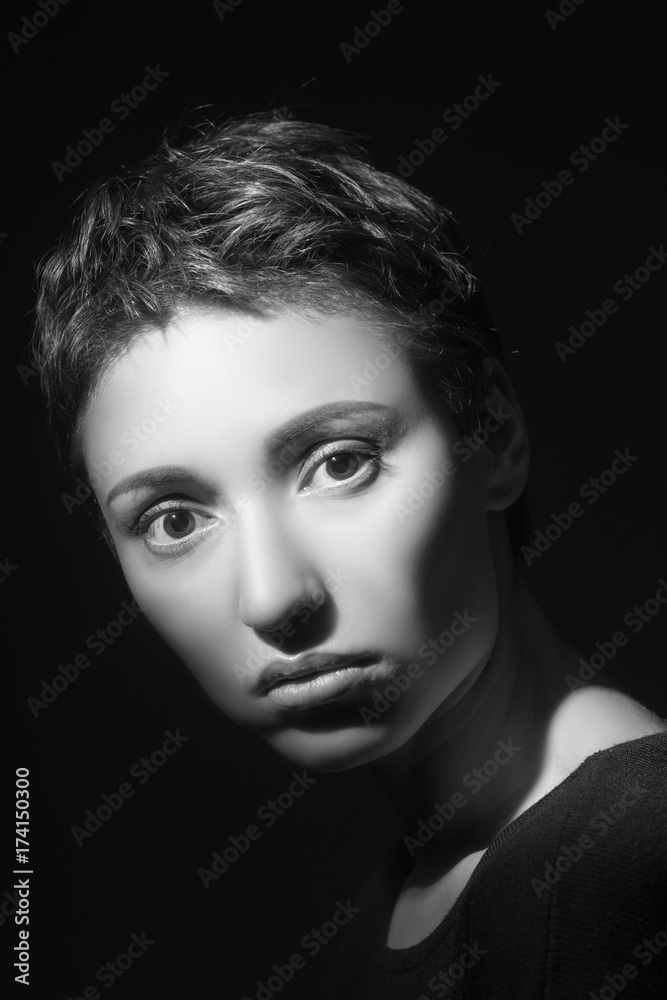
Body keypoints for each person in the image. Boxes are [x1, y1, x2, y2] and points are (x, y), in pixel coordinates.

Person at [32, 109, 667, 997]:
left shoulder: (622, 869)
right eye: (174, 519)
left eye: (338, 463)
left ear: (493, 433)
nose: (271, 595)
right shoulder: (415, 892)